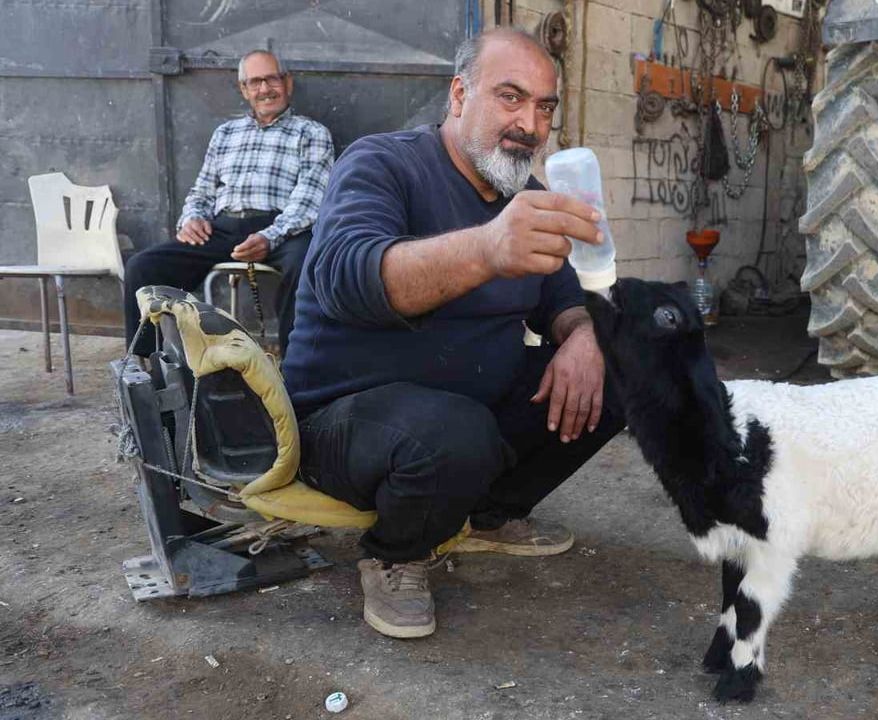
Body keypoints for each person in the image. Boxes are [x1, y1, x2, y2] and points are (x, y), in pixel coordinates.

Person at [282, 28, 625, 639]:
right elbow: (346, 277)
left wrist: (582, 338)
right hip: (342, 416)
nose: (530, 123)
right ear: (460, 95)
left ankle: (488, 517)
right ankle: (395, 552)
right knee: (452, 436)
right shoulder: (381, 163)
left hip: (466, 402)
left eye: (544, 107)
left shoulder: (527, 195)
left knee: (628, 361)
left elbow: (565, 301)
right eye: (510, 97)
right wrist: (489, 248)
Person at [123, 49, 333, 358]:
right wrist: (192, 218)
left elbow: (310, 200)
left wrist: (269, 236)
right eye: (255, 82)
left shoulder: (311, 133)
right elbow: (203, 190)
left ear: (287, 83)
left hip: (281, 229)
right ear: (244, 89)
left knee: (305, 265)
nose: (265, 89)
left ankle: (296, 368)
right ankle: (149, 368)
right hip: (223, 228)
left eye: (272, 79)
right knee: (143, 267)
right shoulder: (225, 134)